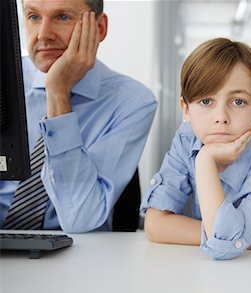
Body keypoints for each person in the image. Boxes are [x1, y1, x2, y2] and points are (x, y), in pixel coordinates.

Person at [140, 38, 251, 260]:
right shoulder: (187, 138)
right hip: (241, 260)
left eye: (238, 102)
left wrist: (205, 160)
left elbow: (225, 246)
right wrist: (244, 238)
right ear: (186, 109)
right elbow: (154, 226)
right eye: (206, 101)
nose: (221, 118)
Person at [0, 0, 157, 232]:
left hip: (77, 255)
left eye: (62, 17)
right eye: (34, 17)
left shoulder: (132, 101)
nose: (44, 35)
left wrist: (58, 93)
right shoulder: (6, 81)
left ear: (99, 28)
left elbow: (81, 220)